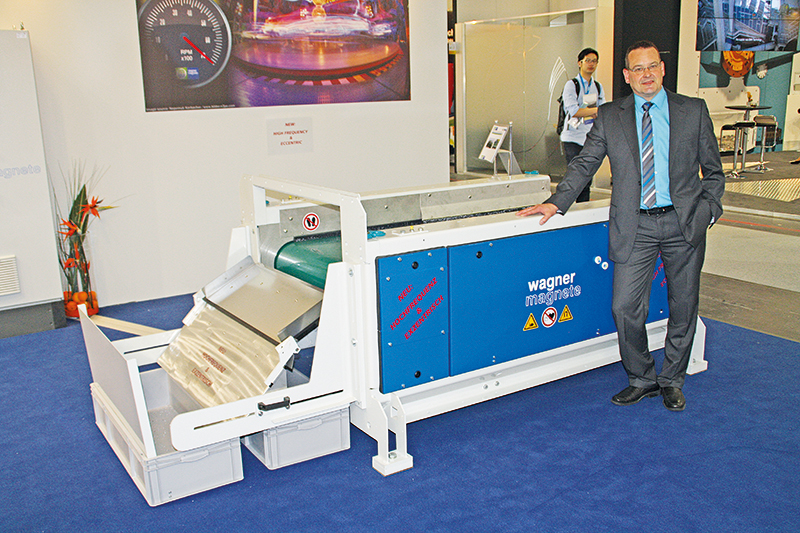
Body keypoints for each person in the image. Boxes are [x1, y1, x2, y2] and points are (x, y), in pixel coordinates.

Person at [518, 41, 725, 412]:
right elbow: (585, 162)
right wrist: (557, 201)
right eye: (638, 69)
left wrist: (708, 211)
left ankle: (672, 380)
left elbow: (713, 170)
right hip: (635, 226)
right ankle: (642, 378)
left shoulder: (692, 110)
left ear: (662, 69)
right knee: (625, 307)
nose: (646, 75)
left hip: (684, 224)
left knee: (683, 306)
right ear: (627, 76)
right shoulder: (611, 115)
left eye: (652, 66)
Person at [560, 47, 605, 202]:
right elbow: (573, 111)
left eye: (594, 61)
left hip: (589, 136)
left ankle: (583, 207)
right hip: (573, 137)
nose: (591, 64)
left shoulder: (597, 86)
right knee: (575, 176)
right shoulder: (572, 85)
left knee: (587, 177)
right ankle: (567, 206)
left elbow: (603, 110)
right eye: (588, 61)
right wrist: (595, 111)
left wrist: (593, 111)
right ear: (580, 63)